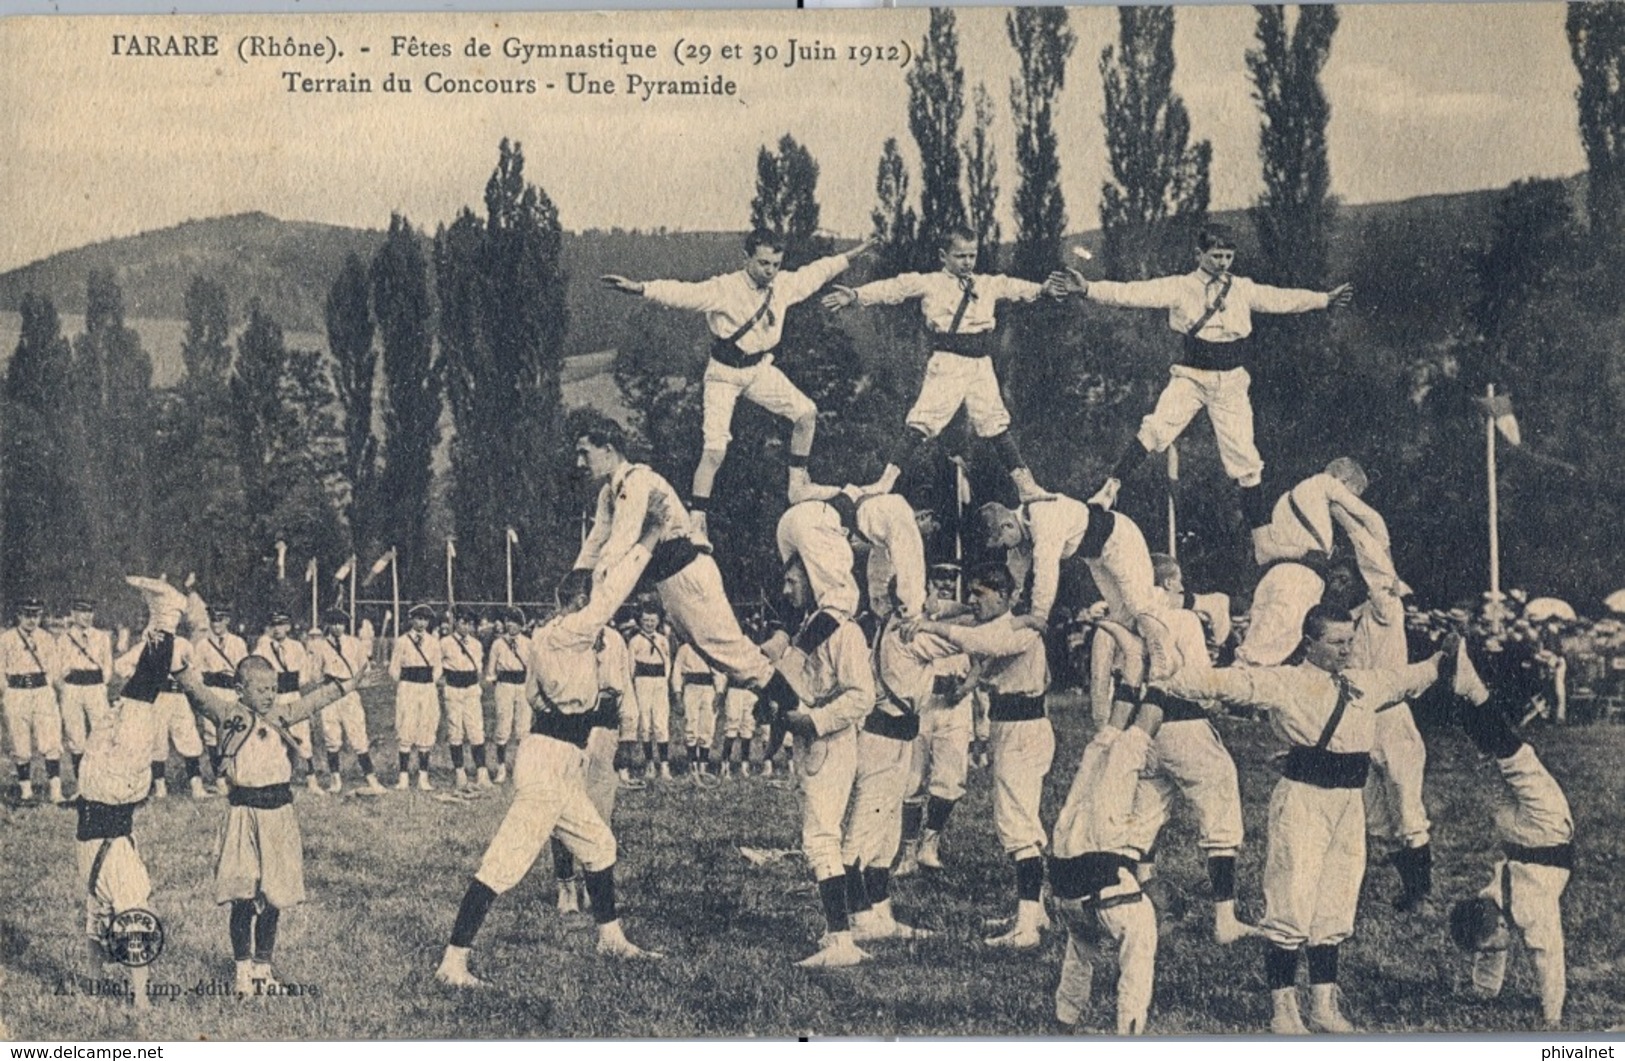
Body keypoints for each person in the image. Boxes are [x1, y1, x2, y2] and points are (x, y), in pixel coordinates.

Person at [1153, 604, 1457, 1034]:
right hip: (1303, 801)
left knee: (1335, 905)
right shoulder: (1286, 682)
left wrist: (1443, 658)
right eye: (1335, 643)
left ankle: (1323, 1007)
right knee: (1291, 900)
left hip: (1349, 805)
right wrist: (1162, 682)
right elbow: (1224, 683)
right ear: (1309, 643)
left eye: (1350, 641)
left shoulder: (1362, 683)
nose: (1346, 650)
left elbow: (1409, 678)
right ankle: (1283, 1011)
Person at [435, 501, 671, 987]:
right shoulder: (566, 633)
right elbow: (609, 594)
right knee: (506, 860)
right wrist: (649, 536)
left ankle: (610, 937)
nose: (598, 613)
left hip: (559, 755)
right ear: (572, 606)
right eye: (589, 604)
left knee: (600, 844)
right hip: (548, 760)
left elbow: (541, 696)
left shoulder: (556, 637)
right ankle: (453, 961)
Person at [601, 231, 874, 543]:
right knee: (715, 450)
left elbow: (819, 271)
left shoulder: (783, 285)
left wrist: (856, 252)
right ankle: (696, 521)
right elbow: (683, 293)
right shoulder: (725, 289)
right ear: (746, 259)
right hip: (723, 375)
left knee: (806, 413)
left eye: (775, 263)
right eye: (762, 263)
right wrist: (641, 289)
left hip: (759, 370)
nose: (769, 270)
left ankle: (798, 484)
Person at [1061, 224, 1354, 514]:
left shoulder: (1241, 289)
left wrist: (1324, 299)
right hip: (1192, 377)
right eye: (1216, 256)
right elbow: (1132, 293)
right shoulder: (1180, 287)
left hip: (1231, 383)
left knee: (1246, 459)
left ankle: (1260, 535)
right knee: (1156, 428)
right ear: (1198, 254)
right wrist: (1088, 288)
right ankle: (1110, 488)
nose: (1223, 263)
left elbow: (1281, 298)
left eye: (1228, 256)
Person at [174, 598, 366, 994]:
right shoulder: (228, 714)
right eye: (259, 688)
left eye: (272, 689)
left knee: (275, 896)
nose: (267, 695)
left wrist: (349, 681)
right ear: (240, 688)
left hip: (279, 812)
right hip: (243, 812)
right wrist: (175, 645)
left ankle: (264, 968)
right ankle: (242, 971)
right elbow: (193, 688)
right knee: (243, 895)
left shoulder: (282, 714)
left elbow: (317, 699)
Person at [572, 417, 802, 723]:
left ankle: (793, 705)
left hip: (688, 573)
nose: (579, 462)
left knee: (726, 649)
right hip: (671, 580)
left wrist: (594, 606)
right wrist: (575, 581)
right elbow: (596, 542)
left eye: (585, 453)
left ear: (609, 450)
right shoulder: (609, 493)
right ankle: (773, 698)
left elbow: (619, 545)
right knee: (715, 652)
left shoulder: (637, 482)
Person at [823, 228, 1068, 504]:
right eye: (960, 255)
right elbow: (894, 288)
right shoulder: (931, 283)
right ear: (944, 256)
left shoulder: (987, 284)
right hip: (948, 363)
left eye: (972, 255)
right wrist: (856, 295)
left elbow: (1015, 287)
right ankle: (884, 483)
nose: (967, 262)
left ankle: (1027, 487)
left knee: (996, 424)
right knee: (921, 423)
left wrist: (1043, 289)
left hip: (980, 365)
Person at [907, 563, 1054, 949]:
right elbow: (974, 627)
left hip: (1023, 726)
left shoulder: (1020, 628)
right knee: (1024, 821)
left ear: (1004, 597)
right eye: (970, 593)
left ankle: (1026, 928)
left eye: (980, 593)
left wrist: (933, 626)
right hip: (1013, 725)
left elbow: (986, 644)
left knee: (1017, 824)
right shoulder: (999, 624)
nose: (972, 600)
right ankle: (1034, 911)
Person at [1124, 556, 1256, 945]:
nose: (1183, 592)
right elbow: (1199, 678)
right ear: (1166, 584)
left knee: (1141, 820)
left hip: (1143, 727)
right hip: (1185, 722)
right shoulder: (1180, 619)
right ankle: (1225, 919)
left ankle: (1140, 902)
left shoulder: (1131, 619)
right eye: (1179, 585)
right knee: (1221, 817)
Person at [75, 578, 189, 1011]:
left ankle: (167, 615)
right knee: (99, 911)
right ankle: (165, 618)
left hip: (111, 794)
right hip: (103, 797)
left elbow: (137, 924)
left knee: (140, 695)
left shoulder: (124, 872)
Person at [1049, 620, 1165, 1035]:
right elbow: (1144, 730)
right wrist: (1166, 676)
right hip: (1096, 872)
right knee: (1124, 745)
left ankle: (1064, 1022)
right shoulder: (1138, 910)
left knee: (1103, 747)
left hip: (1069, 875)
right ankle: (1127, 1032)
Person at [1448, 665, 1573, 1029]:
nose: (1495, 950)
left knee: (1509, 757)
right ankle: (1468, 688)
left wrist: (1552, 1018)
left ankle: (1467, 686)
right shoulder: (1493, 911)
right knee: (1508, 758)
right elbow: (1505, 946)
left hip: (1539, 828)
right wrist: (1483, 990)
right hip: (1536, 836)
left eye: (1492, 942)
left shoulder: (1524, 911)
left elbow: (1549, 959)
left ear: (1499, 920)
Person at [767, 557, 875, 968]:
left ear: (816, 582)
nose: (786, 591)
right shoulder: (809, 628)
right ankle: (846, 926)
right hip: (813, 741)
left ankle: (840, 940)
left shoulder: (843, 632)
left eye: (793, 582)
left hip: (829, 740)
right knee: (822, 833)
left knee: (820, 837)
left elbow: (861, 695)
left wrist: (812, 721)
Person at [842, 604, 953, 942]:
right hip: (883, 740)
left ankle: (880, 914)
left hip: (899, 739)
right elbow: (968, 641)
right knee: (862, 835)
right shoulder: (904, 634)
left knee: (887, 837)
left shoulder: (899, 627)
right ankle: (859, 920)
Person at [1350, 576, 1434, 912]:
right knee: (1376, 817)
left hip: (1391, 719)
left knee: (1406, 808)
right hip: (1358, 723)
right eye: (1336, 579)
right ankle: (1408, 889)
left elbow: (1377, 570)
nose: (1340, 584)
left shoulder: (1384, 611)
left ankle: (1422, 893)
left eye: (1346, 578)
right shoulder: (1342, 621)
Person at [980, 496, 1160, 633]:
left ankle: (1167, 664)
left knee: (1140, 605)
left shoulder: (1041, 516)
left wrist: (1038, 616)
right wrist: (999, 618)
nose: (1006, 549)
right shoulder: (1019, 535)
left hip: (1120, 538)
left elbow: (1046, 572)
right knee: (1121, 618)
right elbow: (1014, 578)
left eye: (1003, 544)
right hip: (1095, 557)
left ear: (1007, 525)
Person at [115, 621, 211, 800]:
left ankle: (196, 786)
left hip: (179, 697)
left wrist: (191, 680)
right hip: (158, 696)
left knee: (188, 737)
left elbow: (197, 669)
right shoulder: (150, 644)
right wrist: (141, 678)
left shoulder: (183, 644)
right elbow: (121, 665)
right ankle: (160, 786)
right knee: (158, 739)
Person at [311, 609, 384, 795]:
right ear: (328, 624)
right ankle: (336, 780)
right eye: (333, 623)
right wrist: (326, 684)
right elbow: (315, 674)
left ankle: (371, 778)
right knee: (332, 737)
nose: (337, 627)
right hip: (330, 693)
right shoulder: (320, 646)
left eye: (341, 623)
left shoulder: (354, 643)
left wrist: (357, 682)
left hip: (349, 692)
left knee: (358, 735)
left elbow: (363, 668)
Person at [2, 598, 65, 803]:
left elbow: (54, 666)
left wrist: (46, 686)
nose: (31, 620)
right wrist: (6, 691)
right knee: (20, 743)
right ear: (19, 615)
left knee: (51, 741)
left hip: (41, 691)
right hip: (16, 691)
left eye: (36, 615)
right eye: (27, 615)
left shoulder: (46, 638)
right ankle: (26, 790)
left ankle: (56, 791)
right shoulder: (6, 639)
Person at [254, 611, 322, 795]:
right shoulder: (263, 648)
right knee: (272, 737)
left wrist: (294, 682)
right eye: (274, 625)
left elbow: (305, 675)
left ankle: (311, 780)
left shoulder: (297, 647)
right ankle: (275, 779)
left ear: (288, 627)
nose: (277, 629)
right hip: (274, 697)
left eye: (281, 625)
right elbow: (256, 670)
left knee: (301, 735)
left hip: (293, 695)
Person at [57, 597, 114, 794]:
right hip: (73, 687)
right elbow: (59, 666)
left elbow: (107, 665)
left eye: (90, 612)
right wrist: (66, 684)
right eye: (82, 612)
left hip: (95, 687)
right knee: (76, 736)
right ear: (73, 614)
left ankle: (101, 782)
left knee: (101, 733)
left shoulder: (101, 637)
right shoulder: (64, 639)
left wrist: (101, 684)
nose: (87, 616)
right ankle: (82, 786)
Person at [195, 604, 248, 795]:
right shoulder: (202, 644)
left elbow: (243, 669)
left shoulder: (238, 643)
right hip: (212, 690)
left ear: (227, 620)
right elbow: (198, 672)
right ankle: (219, 778)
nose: (216, 624)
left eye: (220, 619)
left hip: (231, 691)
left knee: (234, 731)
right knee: (211, 734)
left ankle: (235, 775)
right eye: (213, 620)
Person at [390, 604, 442, 791]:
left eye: (425, 619)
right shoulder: (402, 641)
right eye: (418, 618)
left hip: (427, 687)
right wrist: (406, 683)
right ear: (412, 619)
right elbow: (394, 668)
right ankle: (403, 777)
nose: (421, 623)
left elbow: (438, 667)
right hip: (408, 687)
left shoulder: (434, 642)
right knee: (406, 726)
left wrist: (428, 681)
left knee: (426, 726)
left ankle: (423, 778)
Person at [441, 607, 490, 790]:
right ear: (456, 623)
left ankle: (482, 773)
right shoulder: (445, 643)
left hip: (470, 688)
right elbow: (438, 667)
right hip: (453, 688)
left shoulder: (476, 645)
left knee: (476, 729)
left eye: (469, 623)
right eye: (462, 622)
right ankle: (459, 772)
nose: (466, 626)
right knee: (455, 730)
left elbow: (477, 667)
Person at [485, 606, 531, 785]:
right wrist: (498, 682)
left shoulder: (527, 643)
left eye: (515, 622)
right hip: (504, 685)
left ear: (521, 625)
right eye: (508, 621)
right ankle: (501, 767)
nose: (511, 625)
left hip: (522, 685)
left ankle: (521, 768)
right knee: (503, 725)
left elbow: (532, 667)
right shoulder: (498, 644)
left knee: (523, 727)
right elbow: (491, 669)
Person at [628, 603, 673, 780]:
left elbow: (668, 662)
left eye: (653, 620)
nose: (649, 623)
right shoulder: (635, 641)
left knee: (661, 723)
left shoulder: (663, 640)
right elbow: (631, 665)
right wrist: (632, 685)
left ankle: (664, 765)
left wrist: (665, 681)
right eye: (646, 620)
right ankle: (649, 764)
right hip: (642, 681)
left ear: (658, 621)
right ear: (640, 621)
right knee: (645, 723)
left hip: (659, 682)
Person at [672, 635, 723, 783]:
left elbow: (719, 672)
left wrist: (719, 692)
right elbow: (676, 672)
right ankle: (692, 766)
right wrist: (677, 694)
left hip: (709, 688)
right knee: (691, 724)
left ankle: (703, 766)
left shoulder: (711, 649)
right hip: (691, 688)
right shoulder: (685, 648)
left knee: (707, 726)